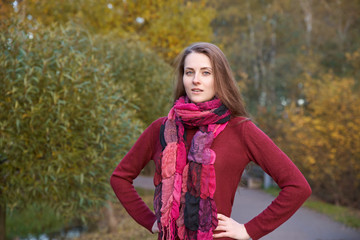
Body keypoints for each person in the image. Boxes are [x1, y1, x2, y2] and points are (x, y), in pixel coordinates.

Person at [110, 42, 311, 240]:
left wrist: (249, 230)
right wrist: (150, 221)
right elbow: (120, 178)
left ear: (219, 78)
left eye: (206, 72)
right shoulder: (160, 129)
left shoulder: (241, 130)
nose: (196, 80)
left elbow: (297, 187)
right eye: (189, 72)